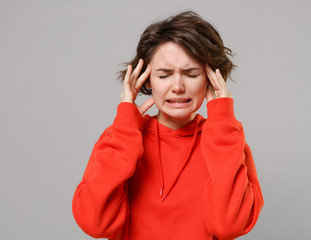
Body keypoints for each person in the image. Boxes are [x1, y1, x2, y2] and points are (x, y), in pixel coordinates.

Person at [72, 11, 263, 240]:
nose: (178, 86)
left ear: (211, 79)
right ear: (146, 79)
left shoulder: (227, 140)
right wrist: (124, 126)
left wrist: (222, 121)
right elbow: (95, 224)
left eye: (191, 74)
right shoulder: (121, 138)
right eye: (164, 75)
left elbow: (228, 226)